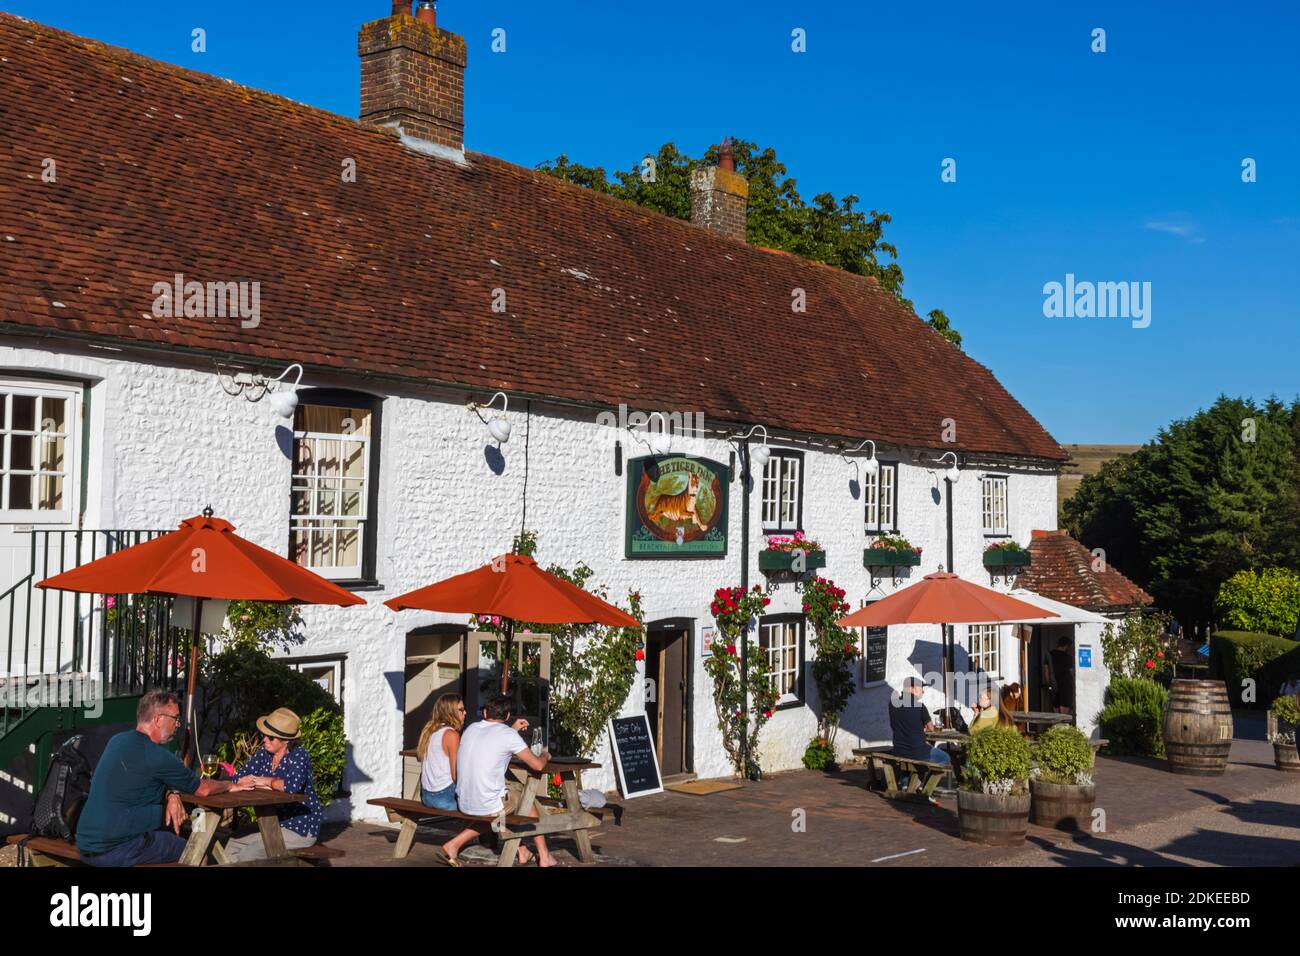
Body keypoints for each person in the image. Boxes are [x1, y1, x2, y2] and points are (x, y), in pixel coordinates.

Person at [76, 689, 251, 867]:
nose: (177, 724)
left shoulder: (117, 741)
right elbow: (203, 789)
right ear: (158, 719)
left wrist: (172, 794)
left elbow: (141, 778)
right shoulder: (158, 756)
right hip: (117, 848)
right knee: (197, 852)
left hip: (85, 844)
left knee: (172, 834)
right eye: (175, 718)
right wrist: (229, 785)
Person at [444, 694, 556, 867]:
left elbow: (493, 737)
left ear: (485, 712)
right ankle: (544, 855)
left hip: (463, 800)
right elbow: (538, 766)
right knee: (526, 798)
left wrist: (512, 730)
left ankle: (523, 850)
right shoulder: (508, 735)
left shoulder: (471, 728)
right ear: (507, 716)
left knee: (513, 794)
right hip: (486, 805)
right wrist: (545, 755)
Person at [220, 707, 324, 862]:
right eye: (264, 735)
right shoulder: (265, 753)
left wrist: (266, 781)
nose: (264, 740)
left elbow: (292, 787)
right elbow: (239, 778)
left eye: (271, 738)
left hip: (299, 828)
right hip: (271, 822)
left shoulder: (299, 755)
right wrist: (266, 783)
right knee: (232, 843)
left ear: (286, 741)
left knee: (250, 854)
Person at [417, 694, 466, 811]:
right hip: (445, 797)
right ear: (450, 711)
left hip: (426, 796)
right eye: (461, 710)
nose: (465, 713)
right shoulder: (451, 735)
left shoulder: (430, 731)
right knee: (484, 806)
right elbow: (456, 775)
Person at [889, 676, 949, 766]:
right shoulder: (919, 706)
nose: (923, 691)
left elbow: (900, 724)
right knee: (945, 757)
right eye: (920, 688)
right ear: (911, 689)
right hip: (918, 753)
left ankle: (906, 780)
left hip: (898, 751)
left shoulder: (892, 704)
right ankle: (923, 779)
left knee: (907, 767)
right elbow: (931, 728)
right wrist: (924, 728)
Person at [1050, 637, 1075, 715]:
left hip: (1054, 684)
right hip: (1066, 685)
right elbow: (1071, 672)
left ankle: (1057, 726)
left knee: (1056, 709)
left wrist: (1049, 683)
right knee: (1065, 713)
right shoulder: (1068, 658)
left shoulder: (1050, 654)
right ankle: (1063, 726)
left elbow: (1046, 670)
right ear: (1066, 646)